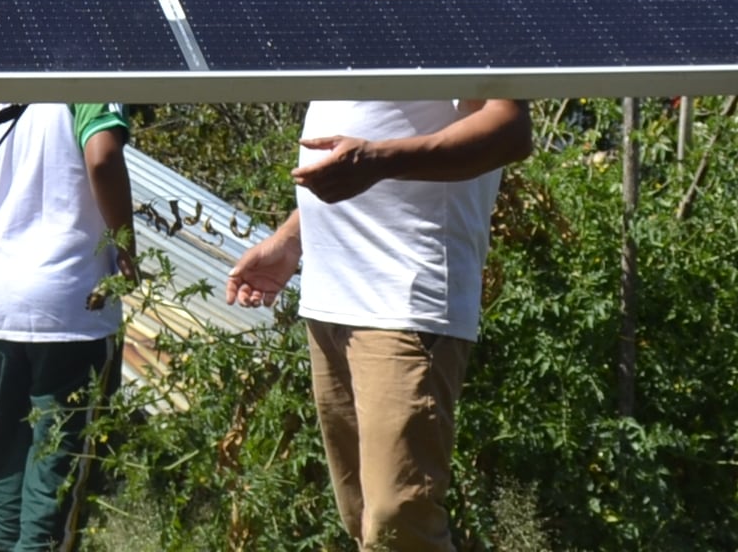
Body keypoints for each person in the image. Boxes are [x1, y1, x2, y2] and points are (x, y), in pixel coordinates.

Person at [225, 99, 533, 552]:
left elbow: (510, 130)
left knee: (399, 522)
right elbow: (358, 142)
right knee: (363, 519)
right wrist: (293, 238)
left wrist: (378, 160)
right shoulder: (349, 29)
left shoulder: (464, 24)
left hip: (404, 302)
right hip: (331, 299)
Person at [0, 102, 135, 552]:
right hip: (72, 311)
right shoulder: (87, 86)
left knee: (9, 453)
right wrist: (125, 244)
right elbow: (103, 156)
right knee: (60, 462)